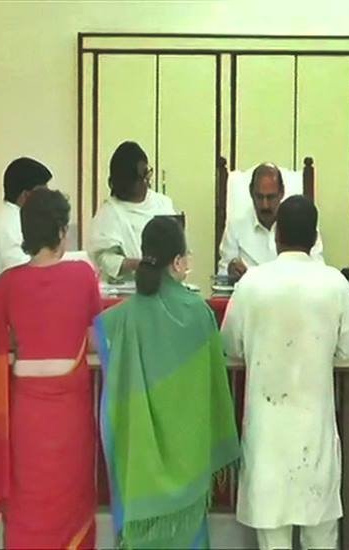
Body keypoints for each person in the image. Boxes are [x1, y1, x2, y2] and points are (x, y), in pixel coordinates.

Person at [221, 195, 349, 550]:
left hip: (267, 434)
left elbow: (229, 345)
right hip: (314, 434)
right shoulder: (334, 283)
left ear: (276, 235)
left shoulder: (251, 284)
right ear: (315, 238)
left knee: (273, 539)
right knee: (321, 537)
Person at [95, 216, 240, 548]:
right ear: (177, 262)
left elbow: (94, 337)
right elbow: (215, 386)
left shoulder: (123, 317)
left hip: (141, 464)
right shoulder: (199, 314)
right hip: (189, 461)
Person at [0, 188, 100, 549]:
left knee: (27, 506)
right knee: (71, 504)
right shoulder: (83, 275)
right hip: (71, 418)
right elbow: (95, 339)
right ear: (62, 231)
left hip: (25, 419)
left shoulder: (6, 284)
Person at [218, 163, 323, 280]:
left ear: (282, 193)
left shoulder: (301, 221)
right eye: (259, 197)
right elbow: (222, 275)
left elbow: (318, 268)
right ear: (251, 193)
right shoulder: (236, 224)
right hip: (248, 290)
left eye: (271, 197)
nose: (265, 205)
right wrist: (230, 271)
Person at [87, 141, 176, 281]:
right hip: (125, 287)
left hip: (164, 284)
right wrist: (138, 264)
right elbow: (104, 259)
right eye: (139, 179)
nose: (145, 182)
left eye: (146, 175)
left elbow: (178, 247)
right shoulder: (109, 213)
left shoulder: (163, 204)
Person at [0, 157, 52, 291]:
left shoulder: (11, 217)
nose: (47, 200)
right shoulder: (11, 226)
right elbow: (25, 278)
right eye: (43, 194)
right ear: (26, 196)